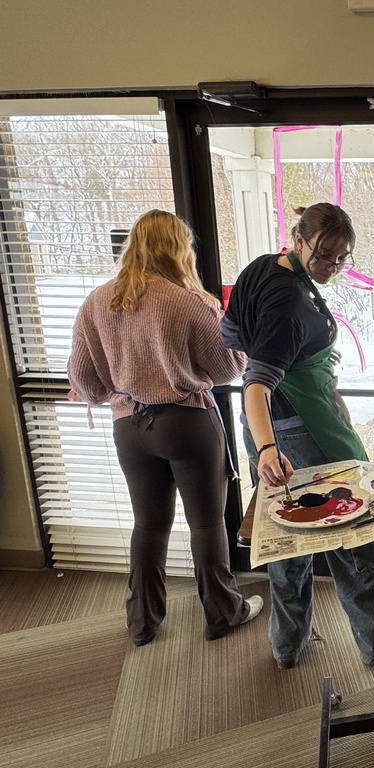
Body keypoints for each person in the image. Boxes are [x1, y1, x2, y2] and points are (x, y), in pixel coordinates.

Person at [68, 209, 262, 646]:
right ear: (179, 250)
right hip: (186, 423)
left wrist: (114, 391)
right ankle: (222, 614)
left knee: (148, 525)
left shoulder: (97, 301)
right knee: (207, 524)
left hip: (129, 428)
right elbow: (228, 367)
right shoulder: (187, 300)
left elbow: (81, 378)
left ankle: (142, 622)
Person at [222, 203, 374, 670]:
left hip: (267, 429)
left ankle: (287, 644)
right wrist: (267, 449)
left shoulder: (261, 267)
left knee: (288, 536)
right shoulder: (292, 304)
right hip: (303, 432)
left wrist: (263, 440)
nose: (333, 267)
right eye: (324, 256)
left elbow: (229, 332)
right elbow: (255, 384)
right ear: (298, 239)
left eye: (342, 258)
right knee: (353, 533)